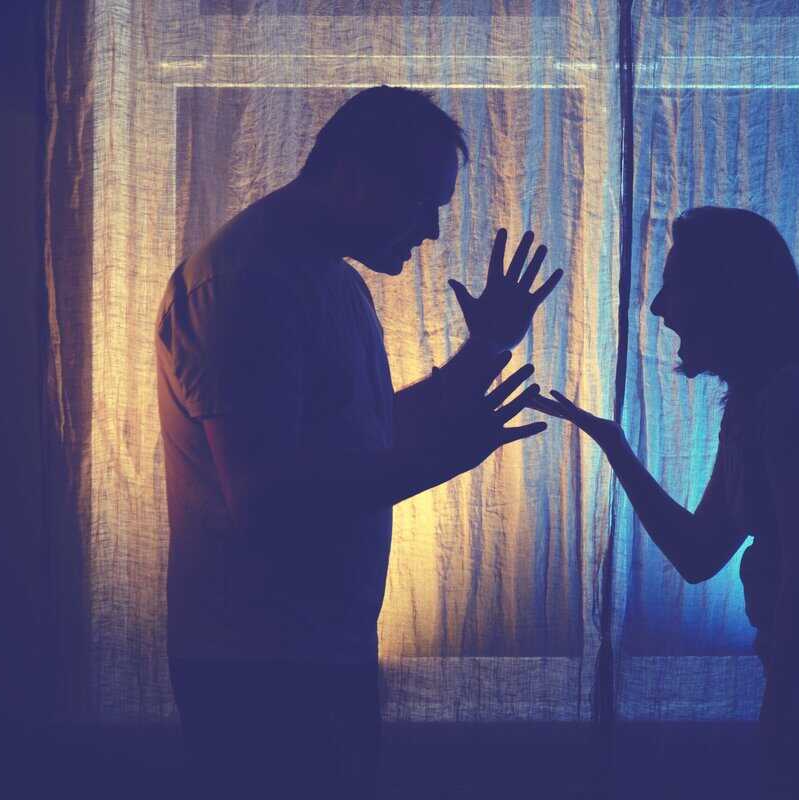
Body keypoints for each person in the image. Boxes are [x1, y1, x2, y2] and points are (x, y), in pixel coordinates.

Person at [155, 86, 562, 798]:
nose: (432, 230)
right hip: (259, 672)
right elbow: (269, 504)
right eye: (423, 202)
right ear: (353, 177)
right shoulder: (246, 284)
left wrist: (488, 347)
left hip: (317, 653)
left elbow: (365, 435)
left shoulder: (327, 282)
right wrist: (443, 461)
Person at [529, 206, 799, 798]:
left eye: (675, 285)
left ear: (727, 293)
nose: (658, 307)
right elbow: (700, 553)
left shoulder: (797, 395)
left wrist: (784, 710)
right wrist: (614, 446)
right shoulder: (759, 397)